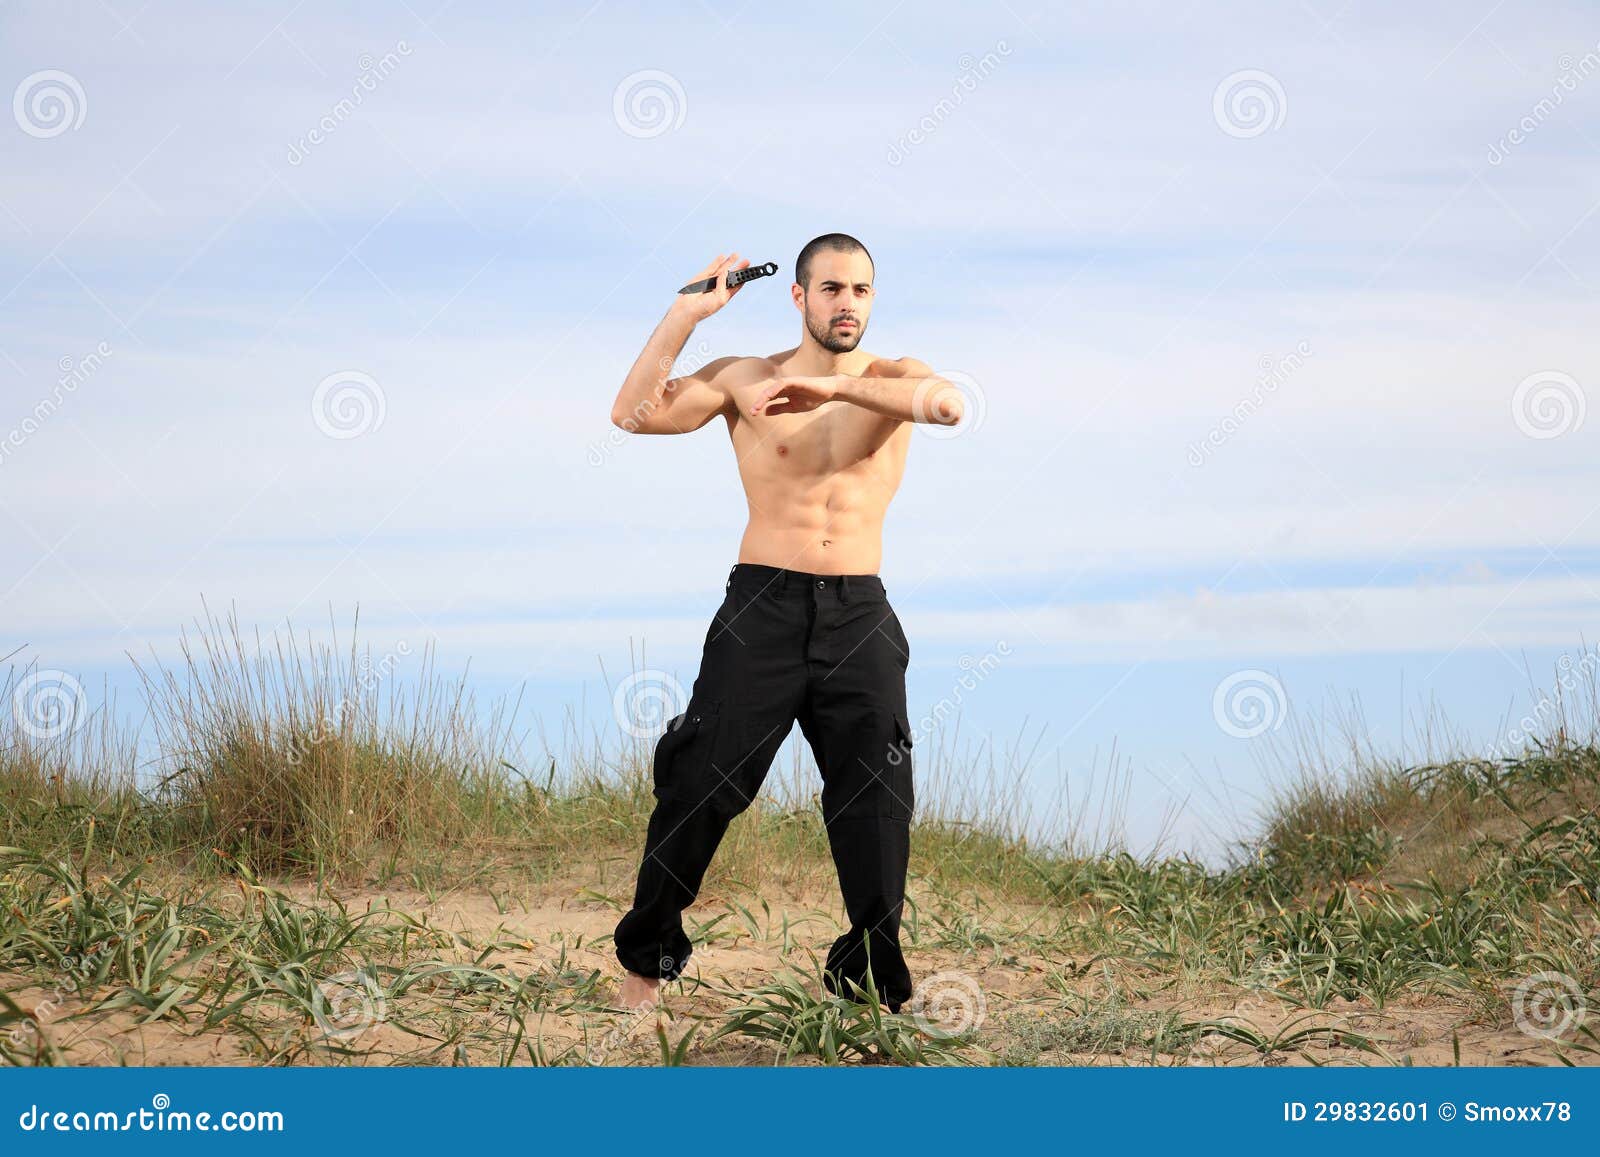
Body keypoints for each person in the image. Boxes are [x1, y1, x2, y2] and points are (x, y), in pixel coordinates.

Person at [607, 233, 964, 1014]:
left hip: (859, 613)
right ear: (799, 296)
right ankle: (647, 963)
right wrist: (684, 316)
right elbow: (632, 415)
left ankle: (868, 985)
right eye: (831, 288)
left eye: (860, 290)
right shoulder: (747, 378)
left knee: (877, 801)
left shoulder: (893, 377)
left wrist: (833, 391)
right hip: (761, 607)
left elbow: (947, 405)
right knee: (699, 781)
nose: (847, 304)